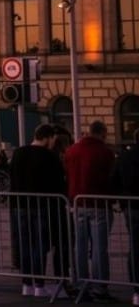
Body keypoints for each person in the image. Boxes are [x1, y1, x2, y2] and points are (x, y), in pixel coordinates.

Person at [11, 124, 65, 298]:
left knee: (25, 245)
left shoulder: (18, 153)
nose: (53, 143)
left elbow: (13, 179)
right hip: (42, 206)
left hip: (20, 205)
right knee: (40, 245)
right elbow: (58, 183)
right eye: (53, 139)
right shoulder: (49, 156)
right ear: (47, 138)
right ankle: (39, 285)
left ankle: (26, 284)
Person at [65, 120, 116, 301]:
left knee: (79, 246)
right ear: (102, 133)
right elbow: (110, 178)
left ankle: (80, 284)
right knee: (99, 247)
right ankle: (99, 286)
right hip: (98, 203)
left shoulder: (72, 151)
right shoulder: (105, 152)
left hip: (77, 203)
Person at [112, 127, 139, 307]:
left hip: (132, 206)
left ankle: (137, 290)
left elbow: (114, 180)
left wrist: (121, 202)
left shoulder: (124, 157)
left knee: (135, 247)